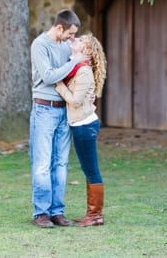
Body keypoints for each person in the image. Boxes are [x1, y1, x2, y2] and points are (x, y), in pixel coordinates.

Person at [29, 9, 88, 228]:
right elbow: (49, 76)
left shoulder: (66, 46)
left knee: (61, 163)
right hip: (44, 110)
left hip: (65, 110)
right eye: (70, 33)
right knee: (42, 164)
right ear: (59, 27)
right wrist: (74, 61)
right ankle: (41, 213)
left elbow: (70, 73)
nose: (72, 38)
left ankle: (57, 212)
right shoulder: (40, 45)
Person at [55, 33, 107, 227]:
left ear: (86, 51)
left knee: (91, 170)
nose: (74, 41)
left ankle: (95, 215)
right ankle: (92, 213)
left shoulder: (83, 71)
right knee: (88, 169)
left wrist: (59, 85)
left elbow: (75, 101)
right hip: (81, 125)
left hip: (84, 126)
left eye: (79, 41)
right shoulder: (77, 68)